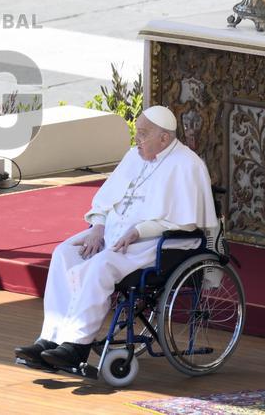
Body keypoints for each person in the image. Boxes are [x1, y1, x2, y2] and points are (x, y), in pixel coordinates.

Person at [14, 105, 217, 371]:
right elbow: (106, 201)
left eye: (143, 134)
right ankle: (49, 338)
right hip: (111, 234)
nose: (137, 141)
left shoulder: (187, 164)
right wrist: (97, 227)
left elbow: (185, 222)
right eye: (137, 133)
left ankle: (76, 346)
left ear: (164, 139)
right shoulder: (135, 156)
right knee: (64, 253)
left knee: (101, 266)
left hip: (158, 242)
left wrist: (138, 231)